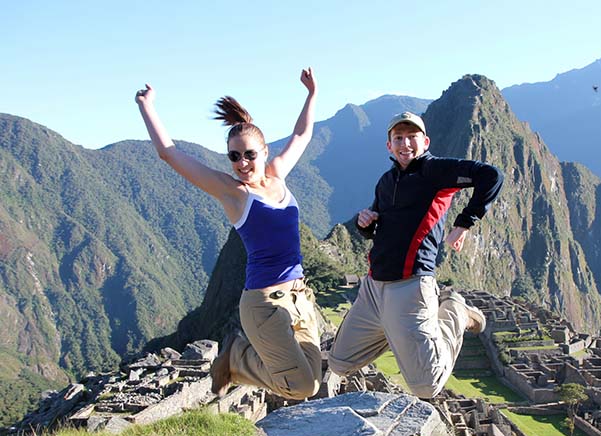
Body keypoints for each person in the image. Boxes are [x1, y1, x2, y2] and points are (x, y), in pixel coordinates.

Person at [135, 68, 321, 400]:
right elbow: (169, 154)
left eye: (249, 154)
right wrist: (146, 107)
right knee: (301, 387)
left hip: (299, 296)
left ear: (264, 152)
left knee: (314, 379)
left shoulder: (278, 174)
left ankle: (239, 358)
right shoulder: (232, 193)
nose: (242, 163)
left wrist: (311, 95)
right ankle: (235, 357)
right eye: (234, 156)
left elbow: (302, 135)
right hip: (263, 304)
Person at [329, 111, 503, 398]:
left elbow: (491, 175)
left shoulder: (435, 172)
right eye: (399, 137)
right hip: (373, 288)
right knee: (339, 363)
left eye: (412, 137)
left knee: (427, 386)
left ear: (425, 141)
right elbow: (378, 229)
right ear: (389, 145)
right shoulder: (386, 181)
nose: (405, 143)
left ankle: (455, 310)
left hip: (411, 285)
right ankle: (395, 330)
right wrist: (367, 224)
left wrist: (464, 223)